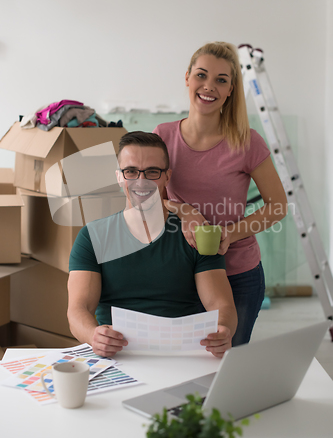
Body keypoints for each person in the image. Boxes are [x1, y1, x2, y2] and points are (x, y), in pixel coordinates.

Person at [153, 41, 288, 346]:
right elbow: (145, 200)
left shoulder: (247, 142)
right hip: (179, 270)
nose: (209, 86)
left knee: (227, 360)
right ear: (187, 77)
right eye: (201, 75)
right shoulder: (162, 137)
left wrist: (231, 234)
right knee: (182, 364)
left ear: (230, 90)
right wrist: (184, 210)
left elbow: (277, 206)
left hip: (237, 274)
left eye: (221, 80)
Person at [67, 131, 237, 358]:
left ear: (167, 177)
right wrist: (93, 335)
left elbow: (221, 304)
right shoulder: (92, 236)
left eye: (152, 172)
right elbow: (79, 309)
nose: (141, 181)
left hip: (183, 351)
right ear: (119, 177)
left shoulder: (195, 235)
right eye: (130, 172)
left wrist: (223, 330)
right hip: (117, 354)